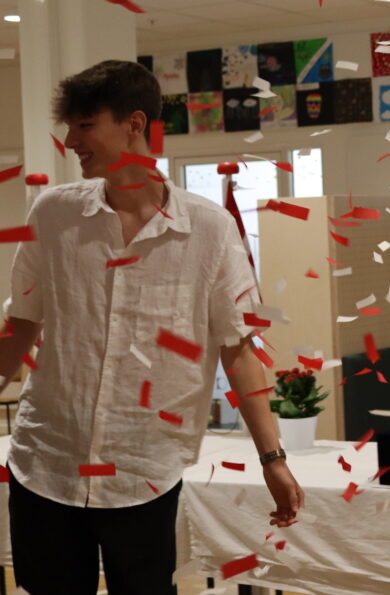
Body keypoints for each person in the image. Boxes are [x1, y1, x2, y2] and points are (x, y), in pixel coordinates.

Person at [0, 60, 304, 594]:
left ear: (134, 123)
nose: (70, 139)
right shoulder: (52, 213)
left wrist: (272, 459)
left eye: (85, 125)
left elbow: (237, 351)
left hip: (143, 472)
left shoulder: (209, 229)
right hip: (45, 465)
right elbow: (19, 326)